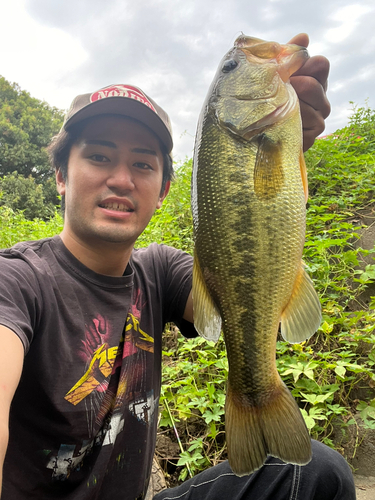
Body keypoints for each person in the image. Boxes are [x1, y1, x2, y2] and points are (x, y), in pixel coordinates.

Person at [0, 33, 355, 500]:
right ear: (62, 176)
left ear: (164, 189)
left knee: (317, 473)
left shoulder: (159, 271)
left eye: (143, 164)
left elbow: (253, 309)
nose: (121, 179)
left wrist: (284, 162)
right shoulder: (16, 280)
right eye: (100, 156)